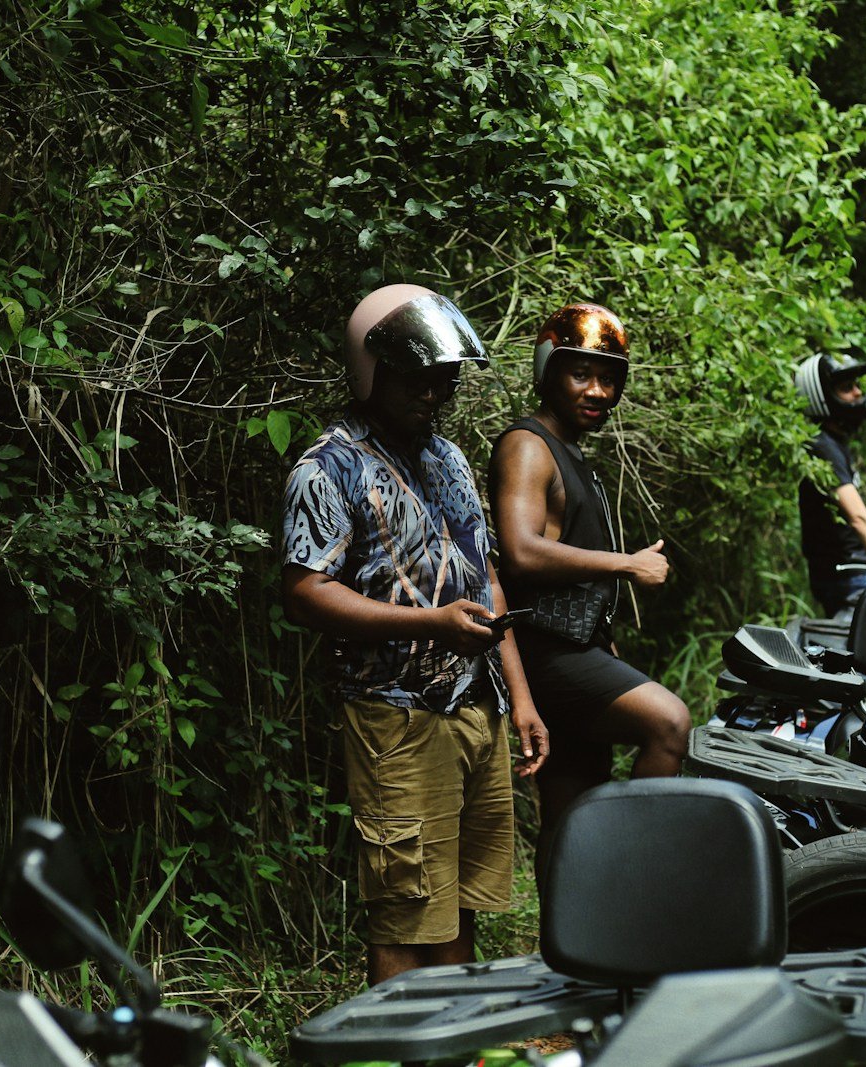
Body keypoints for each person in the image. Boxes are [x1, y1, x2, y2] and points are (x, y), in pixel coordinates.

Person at [281, 284, 550, 985]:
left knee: (461, 902)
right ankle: (394, 1045)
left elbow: (486, 578)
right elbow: (306, 592)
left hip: (476, 706)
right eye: (418, 378)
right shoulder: (327, 467)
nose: (434, 393)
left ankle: (451, 1043)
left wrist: (519, 696)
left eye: (445, 379)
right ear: (372, 372)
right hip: (396, 715)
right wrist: (428, 622)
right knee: (406, 909)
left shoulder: (450, 458)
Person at [487, 303, 690, 881]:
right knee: (669, 723)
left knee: (570, 811)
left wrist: (605, 644)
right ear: (548, 371)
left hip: (576, 648)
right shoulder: (528, 446)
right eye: (581, 374)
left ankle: (567, 946)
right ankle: (631, 878)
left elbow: (570, 571)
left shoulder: (573, 456)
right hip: (546, 655)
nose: (597, 390)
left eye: (609, 378)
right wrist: (627, 565)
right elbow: (521, 550)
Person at [794, 351, 866, 614]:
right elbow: (858, 517)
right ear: (822, 397)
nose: (858, 393)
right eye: (846, 388)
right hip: (848, 577)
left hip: (852, 574)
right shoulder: (822, 445)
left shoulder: (833, 443)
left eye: (857, 386)